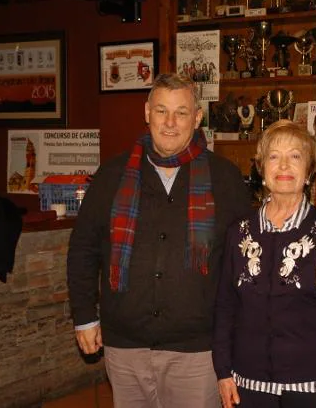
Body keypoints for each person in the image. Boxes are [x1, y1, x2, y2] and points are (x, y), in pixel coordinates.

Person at [67, 73, 251, 408]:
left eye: (181, 112)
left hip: (198, 351)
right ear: (147, 112)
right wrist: (84, 316)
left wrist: (237, 335)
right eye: (161, 110)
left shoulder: (225, 179)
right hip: (124, 347)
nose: (170, 122)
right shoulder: (111, 176)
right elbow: (83, 249)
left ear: (197, 118)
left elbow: (243, 262)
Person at [213, 119, 316, 408]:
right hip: (247, 383)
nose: (284, 166)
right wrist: (223, 371)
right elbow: (226, 307)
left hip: (313, 385)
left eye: (295, 156)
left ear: (309, 171)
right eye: (274, 157)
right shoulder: (238, 232)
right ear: (261, 169)